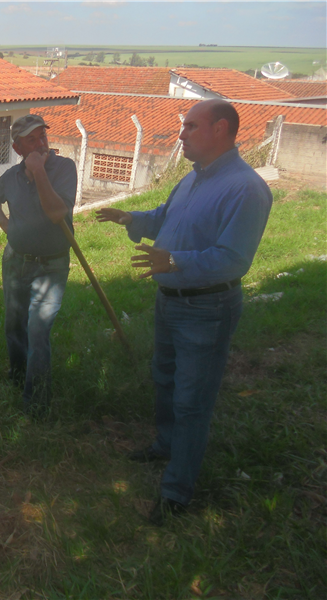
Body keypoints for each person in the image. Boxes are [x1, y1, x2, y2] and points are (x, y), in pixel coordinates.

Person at [96, 99, 272, 525]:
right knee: (165, 378)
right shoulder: (193, 179)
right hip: (170, 303)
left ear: (221, 129)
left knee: (193, 400)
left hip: (207, 308)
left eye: (191, 126)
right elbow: (166, 218)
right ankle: (166, 444)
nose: (181, 134)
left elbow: (233, 258)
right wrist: (130, 218)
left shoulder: (246, 188)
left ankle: (177, 492)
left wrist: (173, 262)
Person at [0, 114, 77, 419]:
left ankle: (36, 402)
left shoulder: (64, 169)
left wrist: (39, 173)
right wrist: (6, 226)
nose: (40, 144)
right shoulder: (11, 176)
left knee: (38, 330)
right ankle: (16, 375)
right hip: (16, 260)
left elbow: (55, 213)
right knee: (14, 326)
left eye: (42, 136)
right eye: (31, 139)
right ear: (17, 146)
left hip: (51, 266)